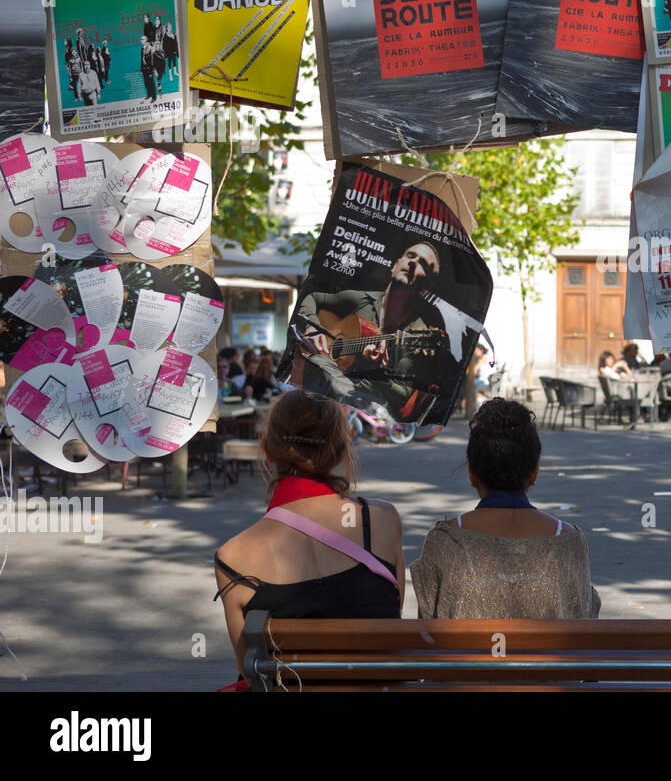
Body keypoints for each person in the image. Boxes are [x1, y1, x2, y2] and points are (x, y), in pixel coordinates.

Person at [213, 391, 404, 683]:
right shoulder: (381, 521)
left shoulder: (233, 558)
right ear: (340, 450)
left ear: (267, 450)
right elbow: (389, 619)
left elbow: (249, 671)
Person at [410, 399, 599, 618]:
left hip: (466, 654)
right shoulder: (569, 541)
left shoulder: (444, 541)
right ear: (534, 473)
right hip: (548, 653)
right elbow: (584, 618)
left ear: (471, 474)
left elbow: (427, 629)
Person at [293, 241, 452, 424]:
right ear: (395, 265)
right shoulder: (363, 300)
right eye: (410, 256)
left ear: (429, 284)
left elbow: (401, 397)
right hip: (312, 393)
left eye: (422, 263)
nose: (413, 263)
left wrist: (380, 372)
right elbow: (312, 298)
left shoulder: (418, 334)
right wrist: (312, 328)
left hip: (348, 408)